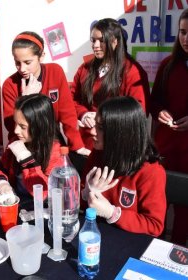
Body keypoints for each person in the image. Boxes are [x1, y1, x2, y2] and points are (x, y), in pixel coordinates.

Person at [81, 97, 166, 237]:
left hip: (131, 243)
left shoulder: (151, 172)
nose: (92, 132)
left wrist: (112, 213)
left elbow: (154, 225)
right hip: (99, 236)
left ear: (121, 134)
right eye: (95, 124)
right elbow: (83, 206)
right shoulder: (98, 155)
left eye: (100, 128)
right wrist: (86, 194)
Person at [2, 31, 89, 157]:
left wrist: (77, 145)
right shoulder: (10, 84)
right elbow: (13, 127)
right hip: (23, 146)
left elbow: (67, 113)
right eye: (17, 63)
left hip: (52, 142)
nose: (22, 69)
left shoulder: (55, 71)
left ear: (41, 56)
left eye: (27, 62)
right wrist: (26, 99)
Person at [71, 18, 150, 150]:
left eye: (101, 40)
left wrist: (103, 119)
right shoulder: (85, 68)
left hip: (116, 146)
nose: (95, 45)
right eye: (93, 40)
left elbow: (138, 113)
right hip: (85, 145)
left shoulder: (133, 72)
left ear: (115, 42)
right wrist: (83, 114)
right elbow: (71, 100)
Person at [150, 8, 188, 246]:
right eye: (183, 32)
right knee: (158, 202)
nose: (186, 38)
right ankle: (154, 248)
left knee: (184, 210)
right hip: (166, 148)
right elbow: (154, 102)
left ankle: (176, 253)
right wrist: (159, 112)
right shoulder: (168, 65)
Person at [0, 94, 62, 200]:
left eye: (22, 127)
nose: (16, 131)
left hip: (39, 209)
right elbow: (1, 169)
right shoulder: (16, 141)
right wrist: (1, 182)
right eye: (16, 123)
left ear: (40, 126)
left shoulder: (54, 152)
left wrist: (25, 158)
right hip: (17, 201)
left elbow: (43, 193)